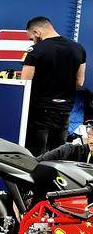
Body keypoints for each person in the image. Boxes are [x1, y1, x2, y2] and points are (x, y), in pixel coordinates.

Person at [22, 16, 87, 156]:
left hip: (39, 110)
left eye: (32, 38)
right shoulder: (79, 49)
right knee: (57, 154)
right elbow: (80, 82)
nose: (33, 41)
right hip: (64, 109)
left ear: (37, 32)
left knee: (34, 155)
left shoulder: (35, 50)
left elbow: (24, 83)